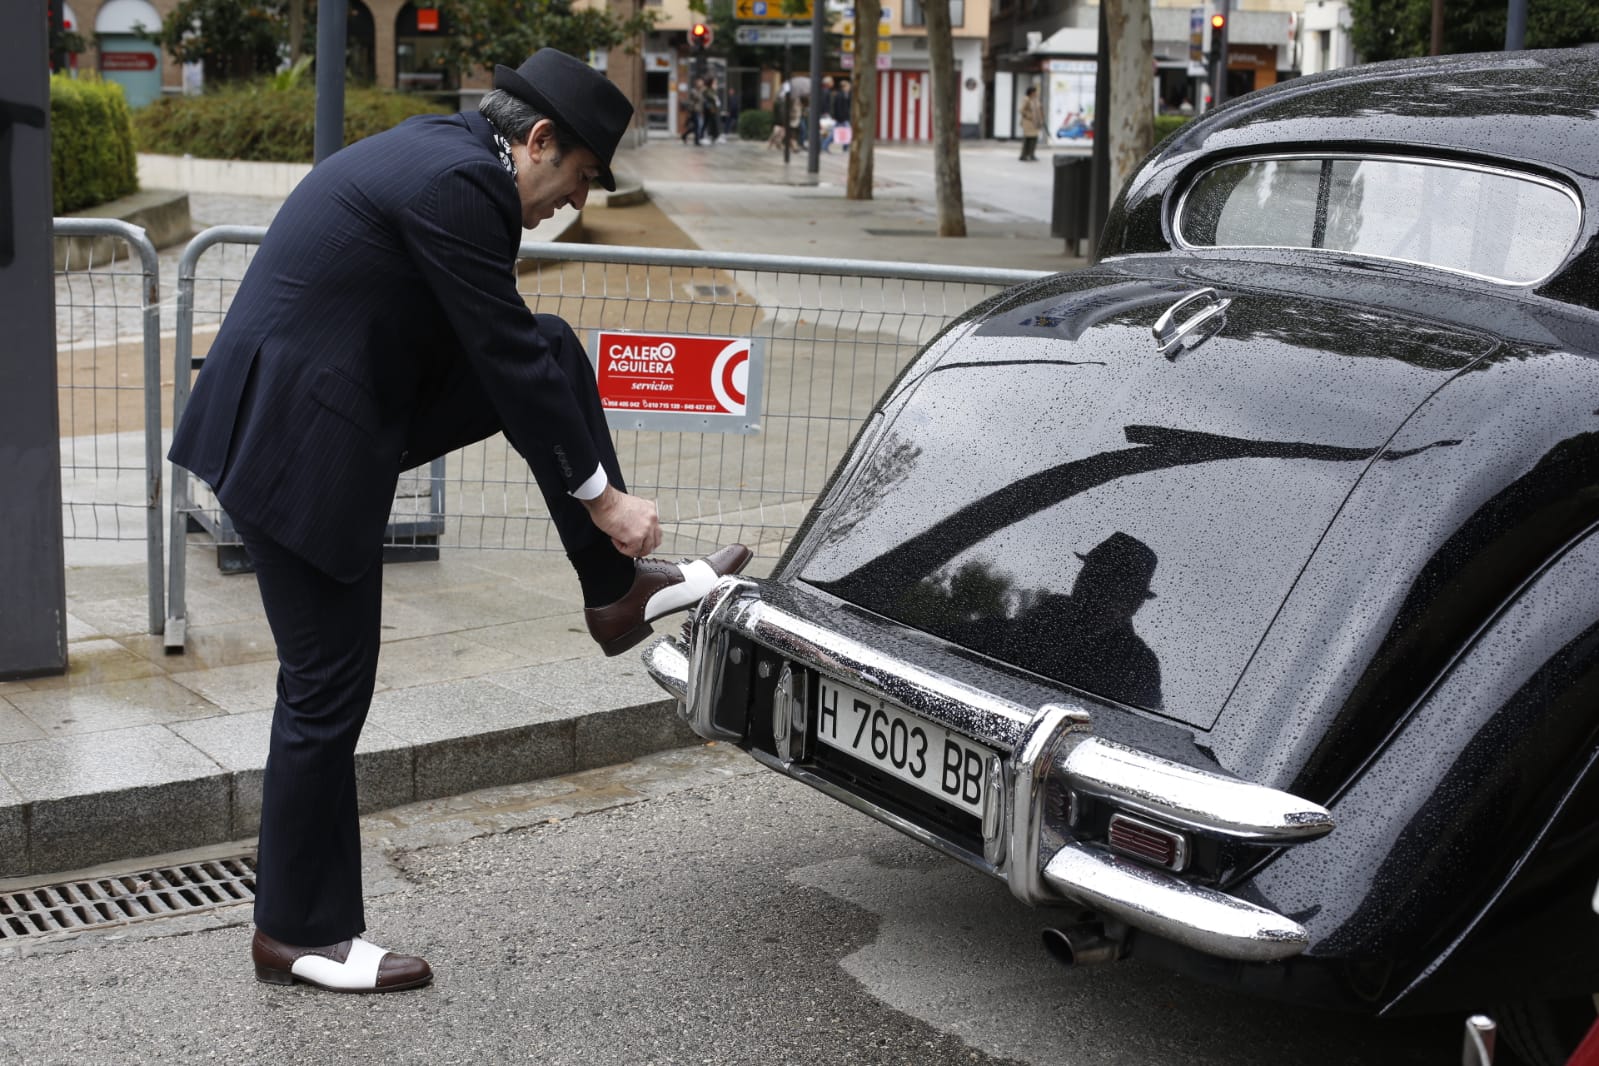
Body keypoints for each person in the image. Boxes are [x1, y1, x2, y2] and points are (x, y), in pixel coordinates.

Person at [167, 48, 751, 994]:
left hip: (320, 415)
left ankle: (614, 594)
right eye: (577, 176)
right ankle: (297, 934)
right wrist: (605, 499)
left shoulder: (443, 153)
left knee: (551, 346)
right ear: (539, 140)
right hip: (298, 453)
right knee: (324, 697)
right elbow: (496, 354)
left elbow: (510, 350)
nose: (574, 201)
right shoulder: (461, 185)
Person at [1019, 85, 1043, 161]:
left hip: (1035, 123)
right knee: (1027, 139)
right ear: (1031, 92)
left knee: (1034, 139)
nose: (1036, 93)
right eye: (1035, 92)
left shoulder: (1036, 100)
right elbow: (1021, 110)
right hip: (1028, 123)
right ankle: (1023, 155)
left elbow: (1039, 110)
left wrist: (1041, 119)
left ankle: (1031, 154)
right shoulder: (1027, 99)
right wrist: (1030, 116)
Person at [701, 75, 723, 145]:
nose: (716, 83)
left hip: (712, 109)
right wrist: (714, 93)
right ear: (711, 82)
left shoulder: (711, 89)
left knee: (713, 123)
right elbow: (712, 97)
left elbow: (715, 98)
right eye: (714, 82)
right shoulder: (706, 90)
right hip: (708, 109)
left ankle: (714, 137)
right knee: (707, 123)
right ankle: (704, 137)